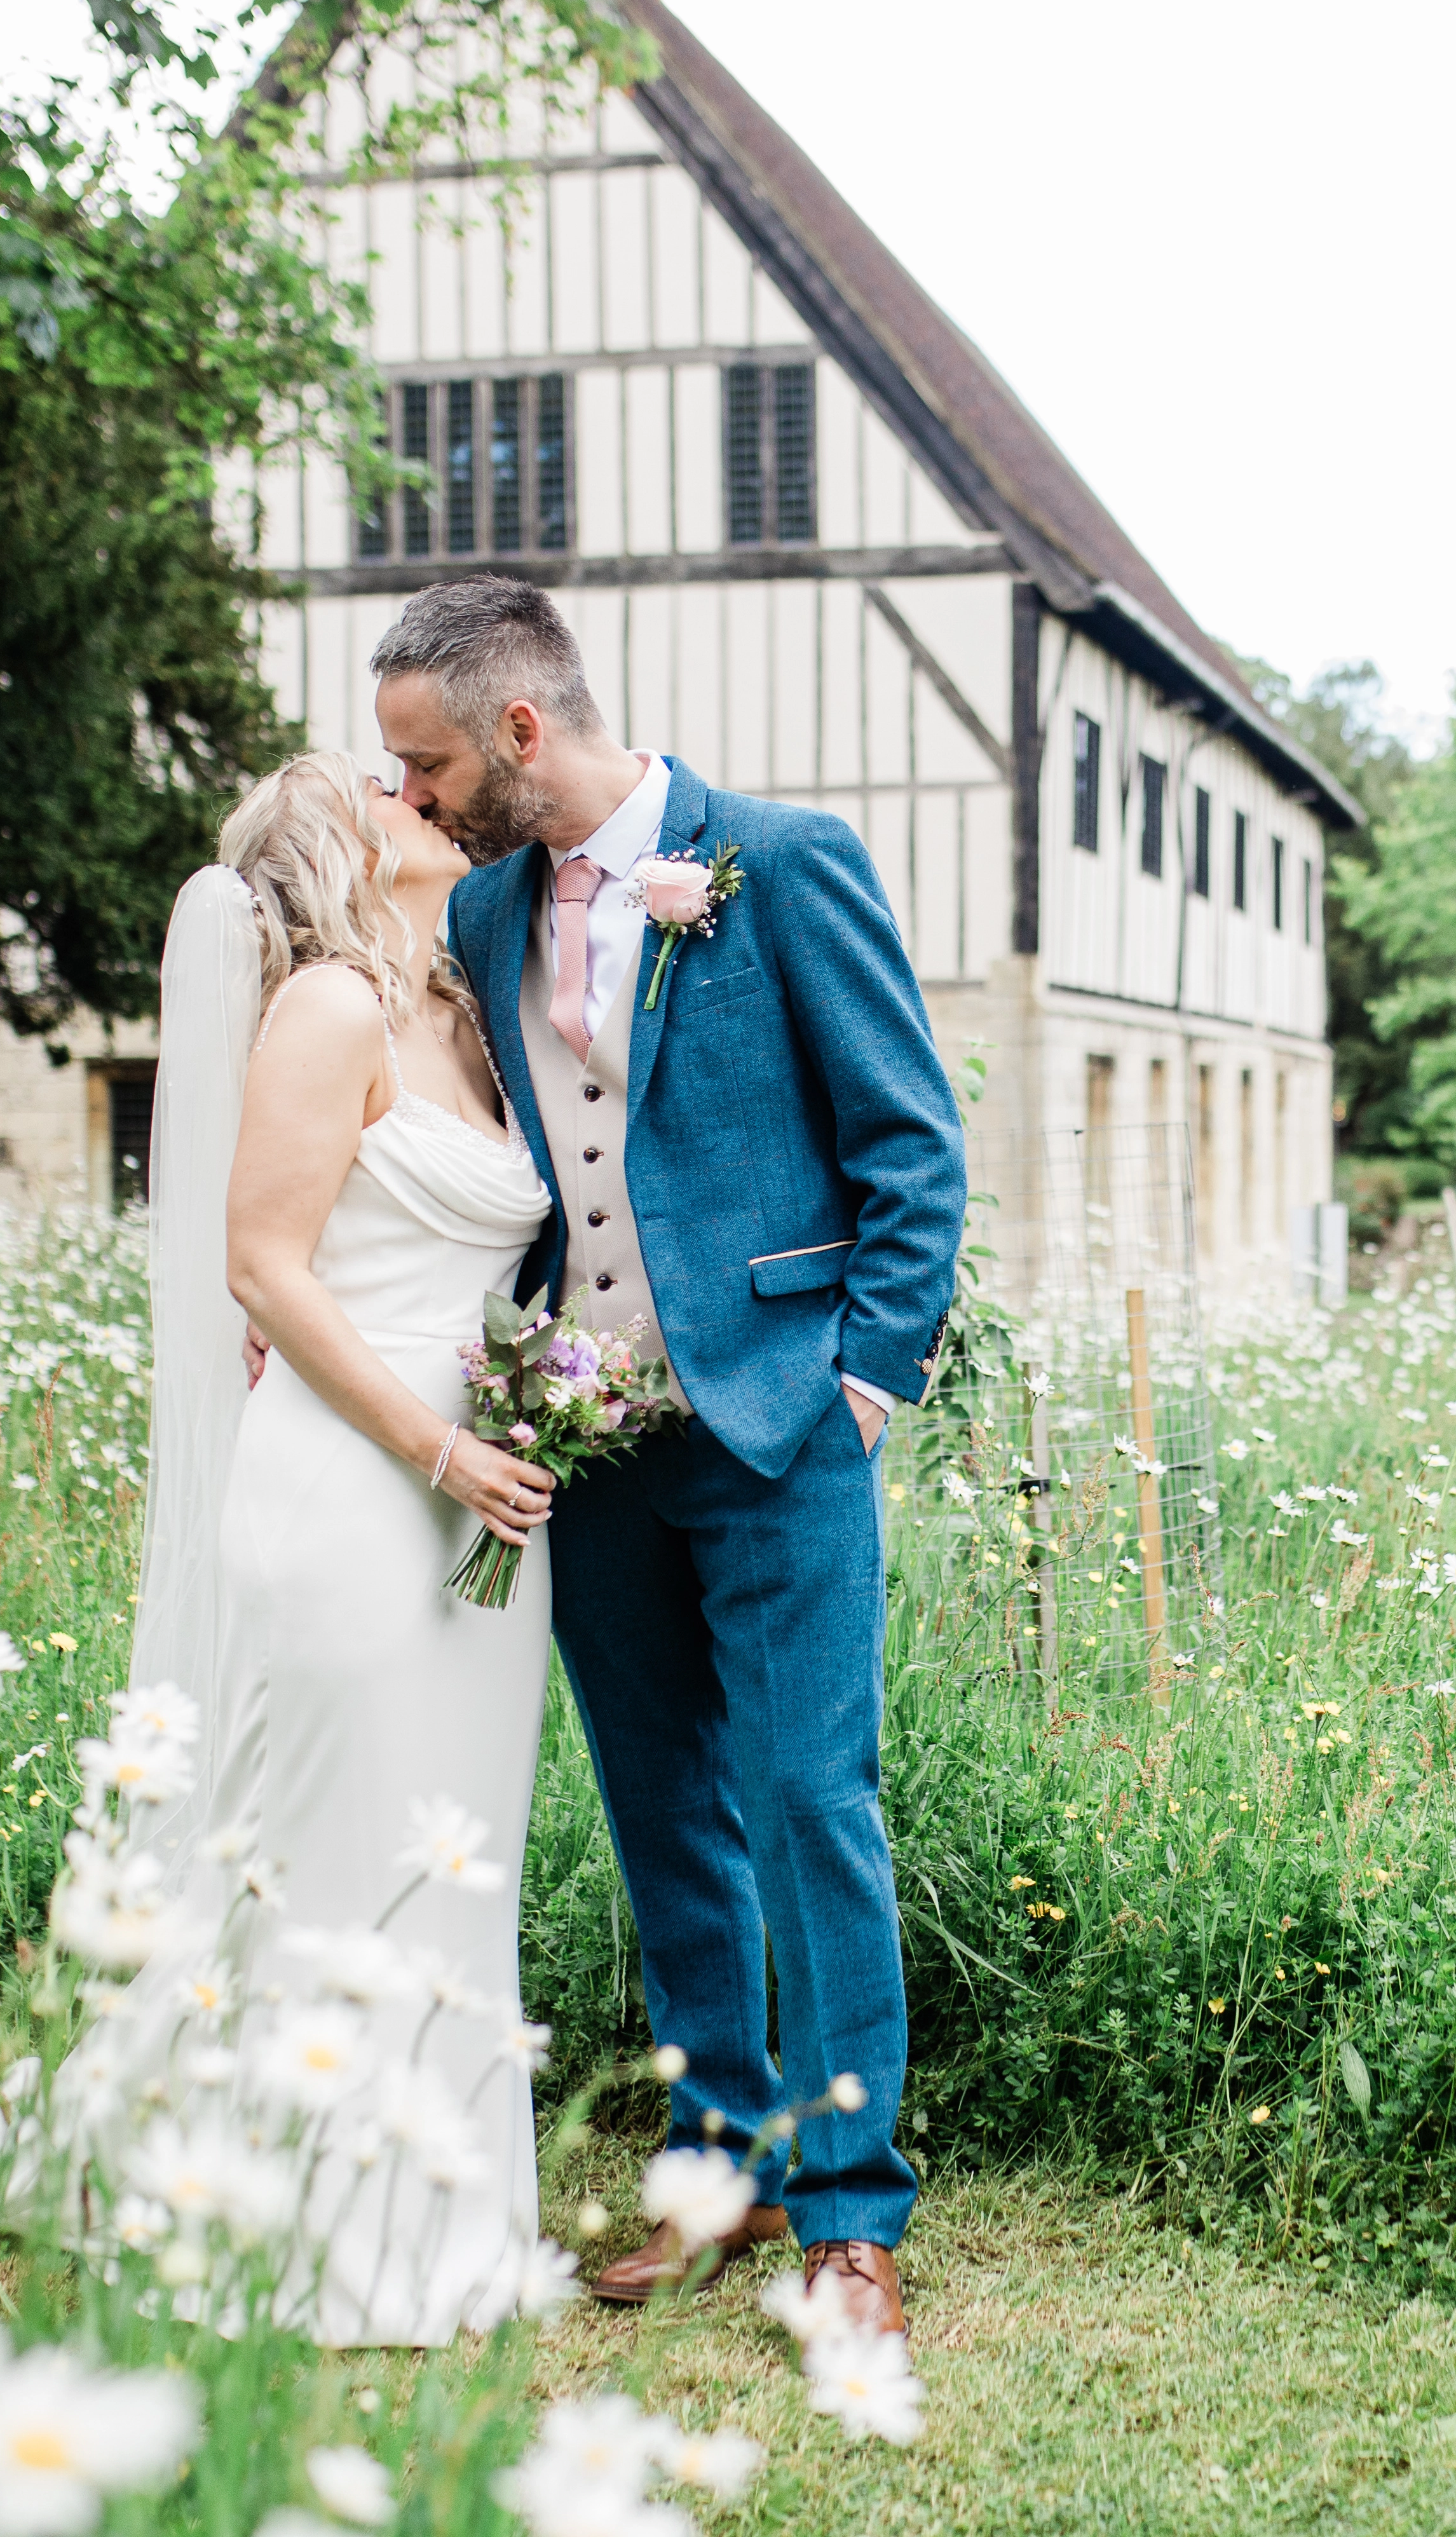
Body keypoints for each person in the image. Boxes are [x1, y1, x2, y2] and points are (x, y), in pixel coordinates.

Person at [369, 575, 966, 2340]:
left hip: (782, 1424)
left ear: (522, 731)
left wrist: (865, 1381)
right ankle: (723, 2168)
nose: (411, 799)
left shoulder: (778, 866)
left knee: (809, 1808)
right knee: (664, 1821)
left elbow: (910, 1142)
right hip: (592, 1441)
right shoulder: (483, 911)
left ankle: (852, 2217)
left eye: (426, 764)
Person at [125, 750, 564, 2344]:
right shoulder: (329, 1011)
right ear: (335, 846)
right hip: (351, 1490)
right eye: (379, 784)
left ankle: (454, 2224)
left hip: (485, 1512)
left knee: (457, 1855)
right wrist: (437, 1440)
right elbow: (264, 1265)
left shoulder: (476, 1019)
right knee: (344, 1855)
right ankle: (329, 2240)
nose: (417, 788)